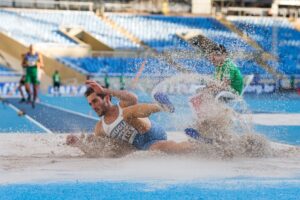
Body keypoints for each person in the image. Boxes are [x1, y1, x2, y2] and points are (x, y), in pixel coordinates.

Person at [66, 80, 201, 154]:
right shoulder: (100, 128)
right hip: (145, 145)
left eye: (95, 101)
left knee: (126, 114)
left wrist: (105, 90)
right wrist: (79, 144)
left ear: (106, 97)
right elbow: (99, 152)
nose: (93, 106)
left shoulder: (122, 104)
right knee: (168, 147)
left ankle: (163, 107)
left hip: (149, 130)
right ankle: (201, 145)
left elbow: (133, 97)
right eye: (90, 103)